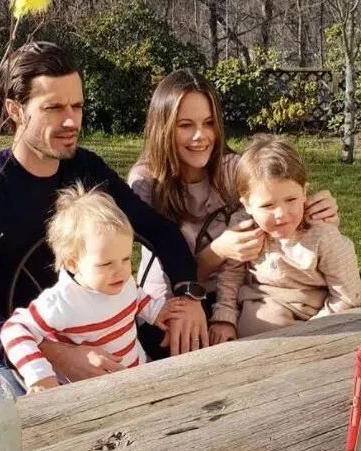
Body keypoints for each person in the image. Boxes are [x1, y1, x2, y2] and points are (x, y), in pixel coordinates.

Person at [0, 42, 208, 396]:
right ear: (15, 110)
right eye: (54, 108)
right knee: (2, 400)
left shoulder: (86, 169)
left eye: (77, 106)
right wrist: (54, 355)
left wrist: (188, 295)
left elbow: (159, 230)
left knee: (195, 353)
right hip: (17, 354)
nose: (71, 121)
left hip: (103, 332)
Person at [127, 68, 339, 351]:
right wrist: (219, 251)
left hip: (234, 294)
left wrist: (316, 208)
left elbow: (281, 201)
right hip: (170, 299)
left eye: (209, 123)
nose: (200, 136)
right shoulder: (146, 182)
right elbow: (165, 271)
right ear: (162, 127)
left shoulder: (232, 169)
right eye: (185, 125)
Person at [0, 185, 187, 393]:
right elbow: (14, 330)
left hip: (136, 374)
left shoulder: (120, 281)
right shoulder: (64, 301)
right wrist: (40, 375)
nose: (121, 271)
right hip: (90, 393)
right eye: (106, 264)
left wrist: (156, 311)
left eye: (126, 258)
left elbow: (134, 295)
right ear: (73, 263)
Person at [211, 135, 361, 338]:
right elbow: (231, 275)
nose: (281, 214)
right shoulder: (245, 228)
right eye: (267, 205)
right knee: (257, 326)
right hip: (263, 301)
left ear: (304, 192)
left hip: (317, 309)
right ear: (247, 205)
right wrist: (224, 317)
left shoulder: (322, 234)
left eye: (291, 199)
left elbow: (347, 296)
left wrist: (313, 331)